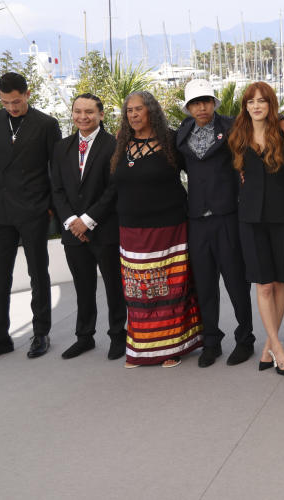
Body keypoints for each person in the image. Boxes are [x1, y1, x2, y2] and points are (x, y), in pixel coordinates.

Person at [176, 78, 284, 368]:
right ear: (188, 108)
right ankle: (211, 341)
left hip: (234, 215)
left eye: (206, 100)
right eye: (195, 103)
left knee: (238, 281)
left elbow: (265, 117)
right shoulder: (182, 133)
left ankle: (247, 339)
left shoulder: (231, 126)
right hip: (199, 217)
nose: (201, 107)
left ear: (214, 103)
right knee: (206, 283)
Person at [0, 72, 61, 362]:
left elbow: (55, 170)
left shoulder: (47, 124)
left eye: (16, 101)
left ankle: (41, 333)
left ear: (27, 94)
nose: (12, 107)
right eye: (6, 102)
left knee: (38, 273)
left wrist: (50, 206)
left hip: (34, 210)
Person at [112, 91, 202, 367]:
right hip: (131, 231)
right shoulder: (122, 143)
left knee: (169, 291)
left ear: (151, 111)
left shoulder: (173, 141)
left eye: (139, 109)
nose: (134, 115)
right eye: (129, 111)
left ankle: (171, 348)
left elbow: (200, 171)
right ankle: (140, 350)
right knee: (137, 292)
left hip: (169, 229)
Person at [228, 82, 284, 377]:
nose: (256, 106)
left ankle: (269, 345)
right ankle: (277, 348)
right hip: (250, 217)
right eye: (251, 101)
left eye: (262, 101)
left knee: (281, 282)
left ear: (271, 105)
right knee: (264, 284)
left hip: (283, 213)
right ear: (245, 106)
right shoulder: (236, 136)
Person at [51, 93, 126, 360]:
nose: (83, 116)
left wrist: (88, 221)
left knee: (114, 286)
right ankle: (85, 337)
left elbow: (114, 188)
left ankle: (118, 335)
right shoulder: (61, 147)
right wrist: (72, 222)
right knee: (82, 287)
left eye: (89, 112)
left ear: (101, 115)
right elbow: (56, 189)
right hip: (74, 232)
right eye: (77, 111)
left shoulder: (113, 145)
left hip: (104, 229)